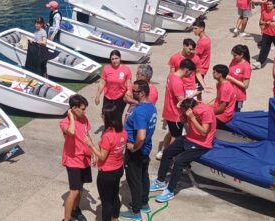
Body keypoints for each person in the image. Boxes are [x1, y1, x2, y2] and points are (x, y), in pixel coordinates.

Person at [151, 98, 216, 203]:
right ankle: (160, 181)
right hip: (189, 138)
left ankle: (170, 191)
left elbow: (204, 132)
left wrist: (192, 117)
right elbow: (183, 121)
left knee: (179, 161)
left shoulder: (206, 111)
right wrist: (181, 112)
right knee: (167, 152)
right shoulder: (189, 109)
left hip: (202, 144)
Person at [121, 80, 157, 221]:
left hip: (136, 152)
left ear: (141, 93)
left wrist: (134, 147)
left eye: (134, 91)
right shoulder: (151, 107)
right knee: (143, 176)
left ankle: (135, 212)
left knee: (134, 180)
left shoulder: (140, 112)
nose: (131, 92)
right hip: (146, 149)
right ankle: (144, 203)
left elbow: (140, 136)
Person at [85, 105, 127, 221]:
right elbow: (111, 152)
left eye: (102, 114)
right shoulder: (123, 131)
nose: (101, 116)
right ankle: (115, 218)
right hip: (118, 169)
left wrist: (90, 144)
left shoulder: (108, 136)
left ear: (107, 117)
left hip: (107, 173)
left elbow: (103, 156)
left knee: (106, 202)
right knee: (114, 195)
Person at [157, 59, 197, 161]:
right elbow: (182, 102)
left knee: (171, 133)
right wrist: (193, 95)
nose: (190, 75)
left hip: (169, 112)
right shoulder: (177, 81)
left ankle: (162, 152)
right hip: (175, 115)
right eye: (191, 73)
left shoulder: (171, 76)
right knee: (176, 140)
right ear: (187, 70)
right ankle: (172, 160)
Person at [61, 95, 92, 221]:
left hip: (84, 159)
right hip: (73, 160)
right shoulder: (65, 122)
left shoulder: (84, 118)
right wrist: (71, 118)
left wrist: (93, 151)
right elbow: (72, 132)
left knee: (80, 189)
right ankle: (66, 219)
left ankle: (75, 210)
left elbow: (87, 135)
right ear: (73, 108)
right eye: (82, 109)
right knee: (73, 191)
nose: (85, 112)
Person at [95, 50, 132, 122]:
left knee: (117, 117)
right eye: (112, 59)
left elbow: (129, 82)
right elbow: (102, 83)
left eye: (116, 58)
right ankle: (108, 129)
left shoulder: (126, 70)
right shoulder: (106, 69)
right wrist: (97, 96)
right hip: (108, 97)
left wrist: (129, 90)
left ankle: (117, 131)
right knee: (105, 114)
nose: (114, 61)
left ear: (120, 58)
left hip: (120, 97)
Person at [254, 0, 275, 70]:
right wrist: (265, 22)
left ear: (274, 5)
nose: (268, 5)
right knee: (264, 48)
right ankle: (260, 62)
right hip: (266, 33)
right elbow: (261, 21)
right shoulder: (264, 12)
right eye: (267, 4)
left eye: (270, 4)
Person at [227, 45, 252, 112]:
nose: (233, 57)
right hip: (229, 93)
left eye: (235, 55)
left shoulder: (246, 67)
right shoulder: (234, 60)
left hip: (238, 97)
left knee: (236, 113)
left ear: (241, 55)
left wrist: (232, 79)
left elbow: (245, 85)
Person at [192, 17, 211, 89]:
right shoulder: (206, 39)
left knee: (197, 91)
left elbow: (195, 54)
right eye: (193, 28)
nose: (193, 30)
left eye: (195, 28)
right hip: (202, 67)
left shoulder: (203, 42)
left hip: (200, 68)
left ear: (202, 29)